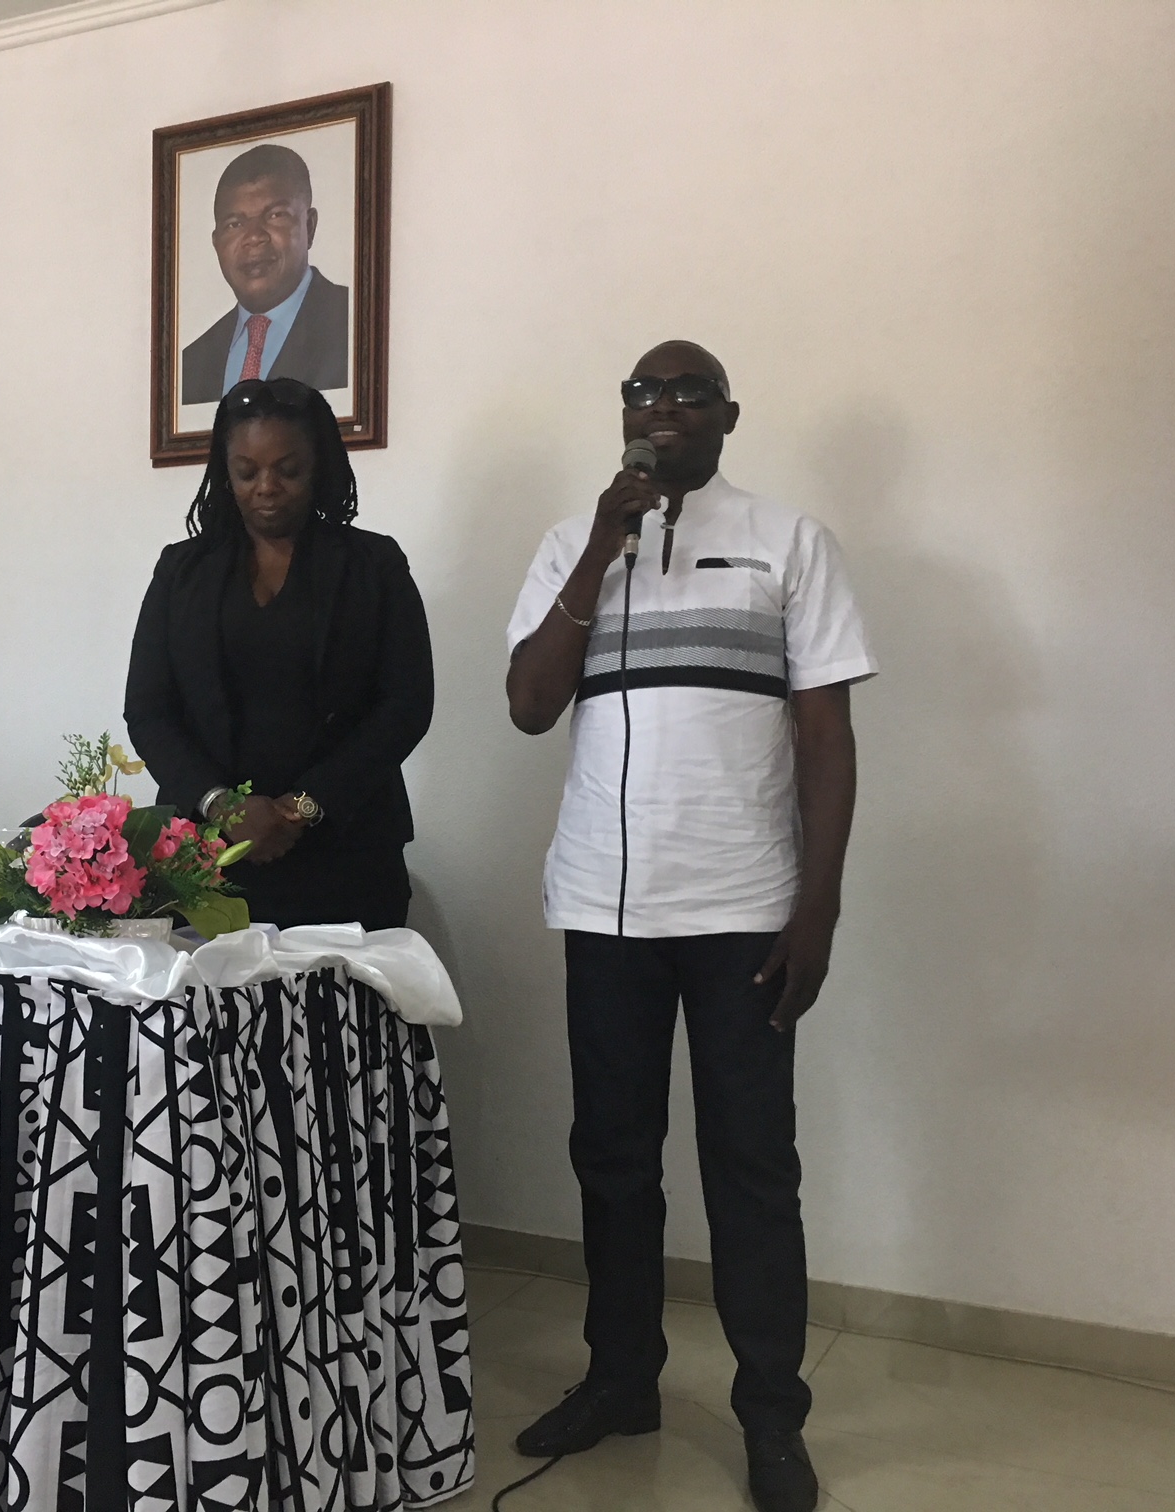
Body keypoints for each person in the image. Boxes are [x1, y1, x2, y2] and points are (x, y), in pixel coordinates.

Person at [502, 342, 876, 1512]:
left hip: (744, 909)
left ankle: (771, 1416)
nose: (662, 408)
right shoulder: (574, 542)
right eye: (643, 393)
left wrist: (818, 906)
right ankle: (623, 1380)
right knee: (613, 1159)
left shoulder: (789, 541)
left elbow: (826, 738)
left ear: (728, 415)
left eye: (687, 393)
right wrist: (601, 546)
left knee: (752, 1168)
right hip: (604, 903)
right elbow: (528, 705)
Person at [125, 377, 431, 929]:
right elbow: (148, 711)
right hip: (205, 858)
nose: (267, 487)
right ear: (226, 473)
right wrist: (222, 806)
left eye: (288, 469)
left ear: (319, 467)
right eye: (247, 471)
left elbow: (406, 705)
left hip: (348, 854)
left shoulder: (374, 566)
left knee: (342, 992)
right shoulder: (181, 572)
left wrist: (303, 806)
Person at [180, 143, 350, 405]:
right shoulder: (192, 362)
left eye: (275, 215)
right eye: (234, 224)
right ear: (216, 243)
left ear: (309, 226)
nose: (254, 237)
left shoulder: (351, 325)